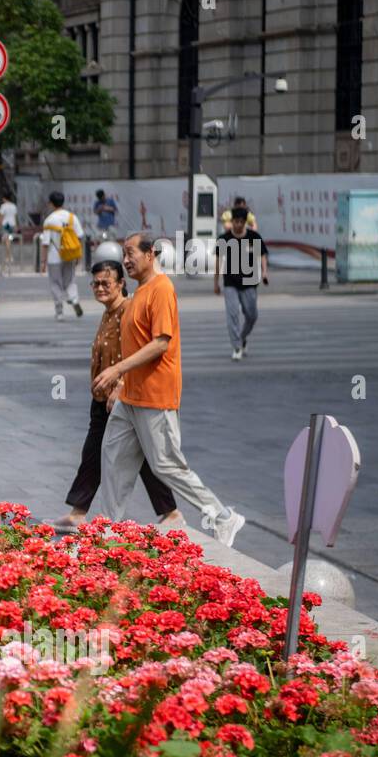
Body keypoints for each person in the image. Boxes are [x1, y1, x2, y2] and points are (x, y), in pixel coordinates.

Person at [92, 232, 246, 548]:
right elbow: (134, 343)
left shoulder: (162, 289)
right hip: (130, 395)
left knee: (165, 464)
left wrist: (117, 369)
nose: (126, 259)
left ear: (151, 254)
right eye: (124, 253)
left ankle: (222, 516)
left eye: (131, 252)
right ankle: (106, 529)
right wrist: (121, 383)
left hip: (155, 395)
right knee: (113, 457)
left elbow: (161, 343)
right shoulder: (139, 293)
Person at [53, 243, 179, 530]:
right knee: (95, 452)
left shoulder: (128, 311)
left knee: (144, 454)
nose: (100, 288)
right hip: (102, 397)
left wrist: (121, 384)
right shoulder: (109, 312)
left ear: (121, 283)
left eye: (106, 283)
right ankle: (78, 511)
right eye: (95, 284)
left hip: (121, 396)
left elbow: (139, 351)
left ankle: (169, 512)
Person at [214, 206, 269, 361]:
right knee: (232, 315)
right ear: (231, 222)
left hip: (250, 282)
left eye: (241, 222)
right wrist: (216, 282)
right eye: (235, 222)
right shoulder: (224, 239)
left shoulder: (253, 237)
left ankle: (242, 337)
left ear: (245, 222)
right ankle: (237, 347)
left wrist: (264, 272)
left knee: (252, 316)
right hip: (230, 282)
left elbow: (263, 255)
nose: (238, 225)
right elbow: (218, 261)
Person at [40, 191, 85, 321]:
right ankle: (74, 299)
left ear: (51, 203)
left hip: (54, 257)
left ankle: (59, 312)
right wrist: (78, 256)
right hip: (70, 255)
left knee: (55, 283)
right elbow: (79, 237)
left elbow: (45, 243)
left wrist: (43, 262)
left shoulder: (49, 220)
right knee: (70, 280)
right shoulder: (72, 217)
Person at [0, 195, 18, 265]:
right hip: (12, 224)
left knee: (7, 241)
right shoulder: (13, 206)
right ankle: (8, 256)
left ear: (4, 198)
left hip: (5, 225)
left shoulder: (3, 206)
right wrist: (16, 225)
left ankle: (9, 256)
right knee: (9, 240)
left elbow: (1, 216)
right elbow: (15, 217)